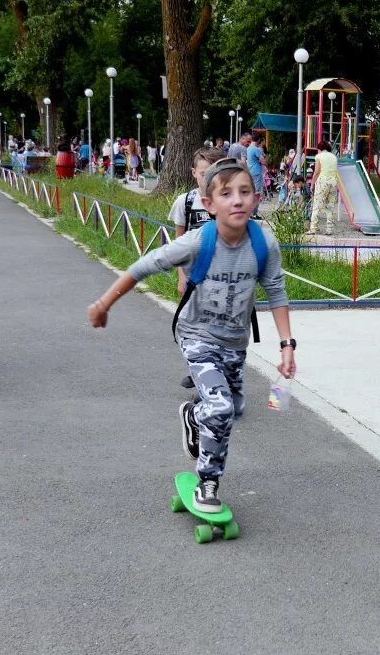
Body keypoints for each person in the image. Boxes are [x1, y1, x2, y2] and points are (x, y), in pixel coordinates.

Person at [87, 158, 295, 513]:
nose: (237, 200)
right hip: (197, 336)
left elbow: (276, 291)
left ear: (257, 198)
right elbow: (144, 266)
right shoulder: (198, 243)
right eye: (226, 194)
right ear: (209, 204)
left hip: (235, 343)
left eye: (245, 192)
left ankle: (194, 414)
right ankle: (207, 483)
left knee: (233, 408)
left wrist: (287, 345)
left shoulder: (264, 243)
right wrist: (104, 303)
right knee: (221, 407)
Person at [169, 147, 223, 294]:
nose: (209, 179)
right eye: (203, 174)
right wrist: (181, 277)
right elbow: (179, 243)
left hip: (223, 277)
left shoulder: (229, 202)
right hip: (193, 277)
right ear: (194, 172)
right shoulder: (185, 202)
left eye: (214, 174)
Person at [306, 141, 340, 236]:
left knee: (316, 205)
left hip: (322, 182)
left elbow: (316, 172)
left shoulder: (319, 156)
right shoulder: (334, 157)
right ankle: (329, 230)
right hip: (333, 183)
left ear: (320, 148)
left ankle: (313, 228)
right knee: (330, 206)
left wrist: (312, 185)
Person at [245, 132, 267, 218]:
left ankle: (250, 211)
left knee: (251, 191)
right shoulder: (256, 149)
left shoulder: (249, 148)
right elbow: (263, 161)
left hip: (250, 171)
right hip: (257, 172)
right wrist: (265, 160)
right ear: (258, 140)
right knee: (257, 192)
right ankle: (254, 213)